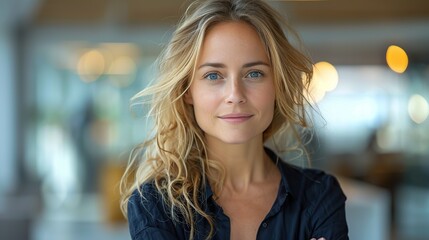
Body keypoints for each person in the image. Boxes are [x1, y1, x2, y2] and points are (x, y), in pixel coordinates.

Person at [120, 0, 349, 239]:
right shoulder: (155, 205)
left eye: (254, 73)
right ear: (187, 90)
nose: (235, 95)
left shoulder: (320, 195)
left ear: (278, 84)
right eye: (213, 75)